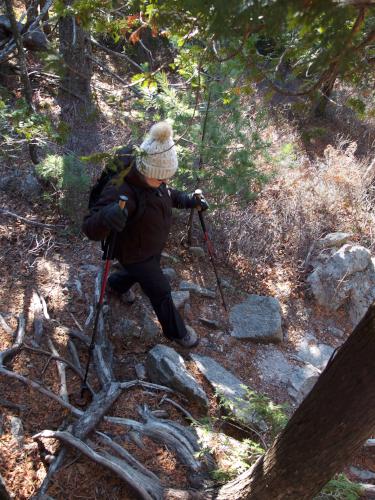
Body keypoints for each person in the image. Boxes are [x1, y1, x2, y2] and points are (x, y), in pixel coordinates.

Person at [82, 121, 208, 348]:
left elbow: (168, 194)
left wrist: (191, 200)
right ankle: (177, 332)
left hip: (149, 248)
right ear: (148, 171)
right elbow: (90, 227)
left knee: (134, 274)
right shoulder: (123, 192)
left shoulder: (153, 179)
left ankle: (116, 285)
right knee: (160, 290)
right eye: (161, 179)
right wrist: (106, 217)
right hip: (135, 253)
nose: (165, 182)